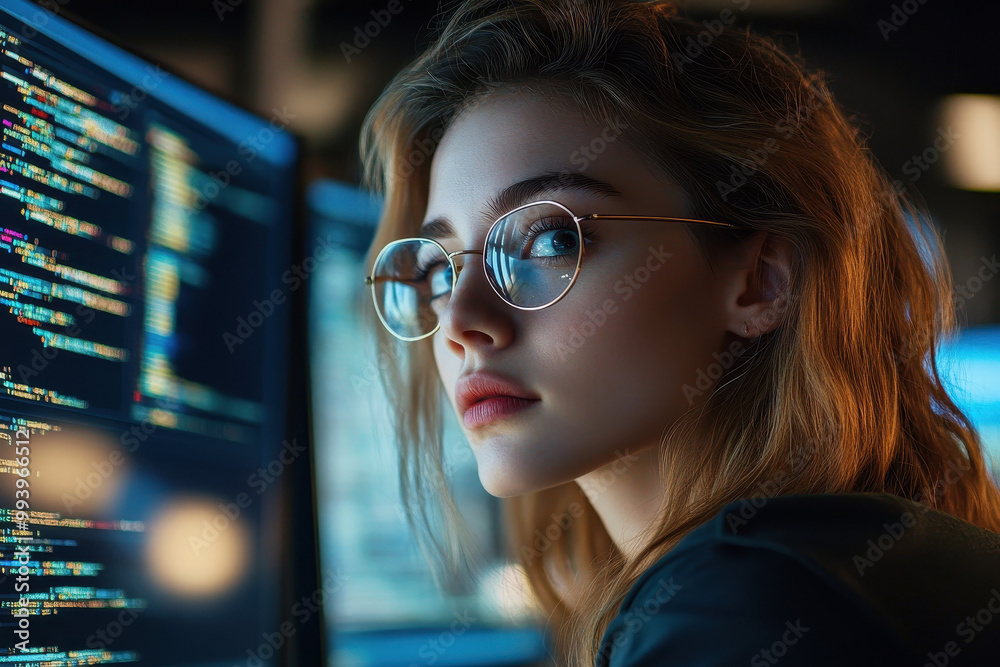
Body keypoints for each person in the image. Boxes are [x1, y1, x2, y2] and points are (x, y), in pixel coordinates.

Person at [357, 1, 1000, 665]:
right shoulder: (836, 560)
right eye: (438, 269)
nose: (460, 321)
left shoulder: (753, 601)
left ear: (759, 283)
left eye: (548, 239)